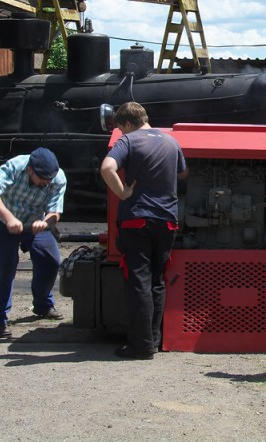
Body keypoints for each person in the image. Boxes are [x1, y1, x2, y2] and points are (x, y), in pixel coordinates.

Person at [100, 102, 188, 360]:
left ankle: (141, 345)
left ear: (127, 124)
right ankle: (154, 340)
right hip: (167, 221)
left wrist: (123, 192)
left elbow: (107, 168)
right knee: (157, 281)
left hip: (137, 220)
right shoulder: (172, 142)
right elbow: (183, 173)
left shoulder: (128, 141)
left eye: (121, 129)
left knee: (138, 281)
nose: (122, 133)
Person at [0, 146, 67, 339]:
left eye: (49, 180)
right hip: (6, 219)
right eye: (42, 180)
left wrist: (45, 222)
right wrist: (9, 219)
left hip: (35, 221)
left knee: (50, 260)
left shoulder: (58, 177)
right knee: (5, 265)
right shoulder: (14, 166)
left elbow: (55, 211)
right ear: (30, 171)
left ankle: (43, 304)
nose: (46, 183)